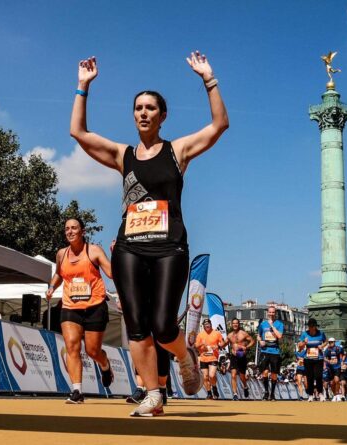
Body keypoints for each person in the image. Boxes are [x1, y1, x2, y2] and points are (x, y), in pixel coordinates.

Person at [70, 51, 229, 416]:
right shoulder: (122, 155)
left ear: (163, 116)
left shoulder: (178, 151)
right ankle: (153, 394)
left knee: (161, 325)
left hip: (170, 247)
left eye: (150, 108)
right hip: (129, 247)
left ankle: (184, 354)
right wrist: (83, 87)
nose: (143, 113)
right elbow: (78, 133)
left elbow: (219, 124)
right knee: (137, 325)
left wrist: (209, 79)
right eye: (138, 108)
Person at [46, 218, 114, 404]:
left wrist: (116, 255)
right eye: (67, 228)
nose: (70, 231)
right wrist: (52, 287)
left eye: (74, 228)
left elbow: (111, 273)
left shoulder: (93, 251)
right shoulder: (61, 254)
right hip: (70, 306)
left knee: (92, 351)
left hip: (95, 306)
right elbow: (59, 273)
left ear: (82, 231)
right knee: (72, 346)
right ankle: (77, 391)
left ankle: (105, 364)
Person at [257, 306, 284, 400]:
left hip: (275, 351)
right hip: (265, 350)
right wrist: (260, 341)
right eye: (270, 312)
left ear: (275, 313)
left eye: (273, 312)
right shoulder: (263, 324)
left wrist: (272, 326)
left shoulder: (279, 324)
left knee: (274, 374)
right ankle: (266, 392)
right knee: (265, 372)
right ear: (267, 313)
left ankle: (272, 393)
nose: (271, 314)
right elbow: (258, 335)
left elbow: (280, 336)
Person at [195, 318, 227, 399]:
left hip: (213, 357)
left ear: (211, 325)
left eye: (208, 324)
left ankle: (214, 387)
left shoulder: (217, 333)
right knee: (205, 377)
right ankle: (209, 393)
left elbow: (223, 343)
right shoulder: (200, 335)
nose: (207, 326)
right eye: (205, 325)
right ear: (203, 326)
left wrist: (218, 346)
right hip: (203, 358)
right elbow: (196, 346)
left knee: (212, 375)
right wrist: (201, 343)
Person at [297, 318, 327, 402]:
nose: (310, 328)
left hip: (319, 358)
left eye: (312, 326)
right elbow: (299, 346)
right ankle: (310, 394)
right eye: (309, 326)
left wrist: (322, 346)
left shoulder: (321, 333)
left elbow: (326, 341)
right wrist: (304, 343)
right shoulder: (304, 334)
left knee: (318, 376)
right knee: (309, 377)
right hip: (308, 358)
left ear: (315, 326)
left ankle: (320, 393)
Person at [227, 318, 255, 400]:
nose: (235, 325)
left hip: (242, 356)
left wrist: (246, 347)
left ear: (239, 324)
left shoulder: (243, 334)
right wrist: (218, 346)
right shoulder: (229, 335)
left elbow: (252, 341)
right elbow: (224, 343)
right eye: (233, 323)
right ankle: (235, 394)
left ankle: (245, 387)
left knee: (242, 376)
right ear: (231, 325)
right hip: (233, 356)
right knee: (233, 375)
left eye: (236, 323)